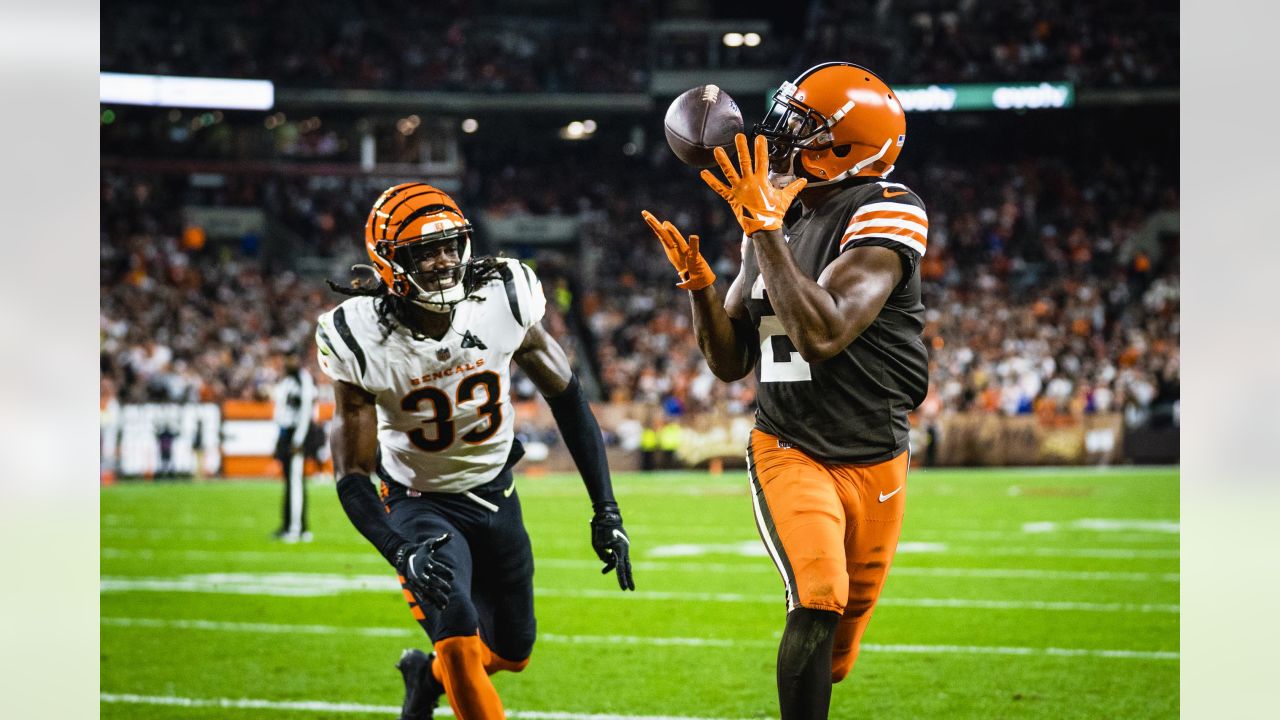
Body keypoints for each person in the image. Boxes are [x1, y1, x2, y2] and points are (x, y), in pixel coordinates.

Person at [642, 62, 929, 718]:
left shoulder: (890, 209)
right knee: (818, 596)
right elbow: (732, 358)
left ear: (846, 146)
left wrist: (765, 230)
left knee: (835, 657)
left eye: (802, 124)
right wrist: (700, 287)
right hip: (790, 445)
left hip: (875, 453)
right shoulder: (776, 214)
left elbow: (824, 333)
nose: (778, 131)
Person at [316, 183, 634, 720]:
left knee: (512, 655)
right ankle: (442, 663)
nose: (442, 262)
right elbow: (351, 474)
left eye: (450, 245)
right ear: (391, 260)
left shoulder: (503, 296)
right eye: (424, 250)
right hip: (420, 502)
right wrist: (399, 550)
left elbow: (569, 397)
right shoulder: (358, 335)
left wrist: (607, 508)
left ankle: (425, 676)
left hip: (496, 493)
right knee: (460, 640)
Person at [272, 349, 317, 542]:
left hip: (295, 435)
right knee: (290, 482)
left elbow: (307, 411)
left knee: (296, 483)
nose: (288, 362)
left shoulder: (303, 379)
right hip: (285, 434)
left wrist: (298, 439)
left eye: (291, 358)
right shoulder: (288, 380)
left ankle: (297, 528)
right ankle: (288, 524)